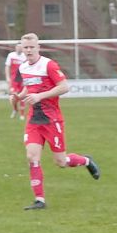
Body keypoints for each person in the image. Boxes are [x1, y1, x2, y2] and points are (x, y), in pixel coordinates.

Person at [17, 33, 100, 210]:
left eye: (32, 47)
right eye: (26, 47)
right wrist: (19, 96)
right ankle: (40, 200)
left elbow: (64, 87)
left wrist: (40, 96)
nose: (29, 50)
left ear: (38, 47)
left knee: (61, 162)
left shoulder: (49, 65)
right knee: (32, 156)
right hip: (34, 119)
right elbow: (28, 87)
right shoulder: (23, 67)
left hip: (51, 119)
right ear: (22, 49)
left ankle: (86, 161)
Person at [5, 43, 27, 120]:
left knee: (22, 96)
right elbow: (7, 67)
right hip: (14, 79)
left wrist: (26, 79)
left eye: (21, 47)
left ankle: (22, 114)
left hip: (22, 79)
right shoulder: (11, 55)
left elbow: (27, 68)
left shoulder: (25, 56)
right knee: (13, 96)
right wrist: (8, 77)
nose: (19, 48)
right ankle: (15, 109)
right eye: (18, 47)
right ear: (15, 48)